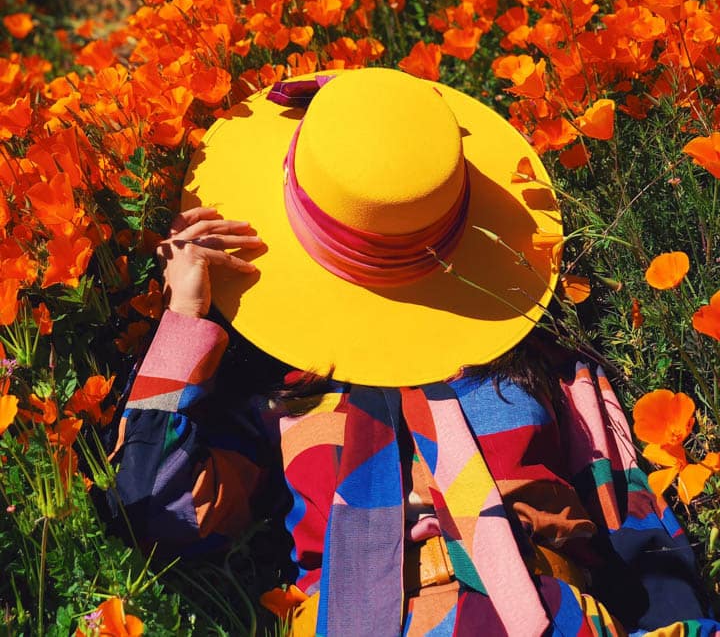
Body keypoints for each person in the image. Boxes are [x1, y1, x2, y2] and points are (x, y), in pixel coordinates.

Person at [111, 67, 719, 636]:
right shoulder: (282, 398)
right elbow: (161, 510)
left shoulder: (543, 364)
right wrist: (184, 319)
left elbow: (634, 521)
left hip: (549, 612)